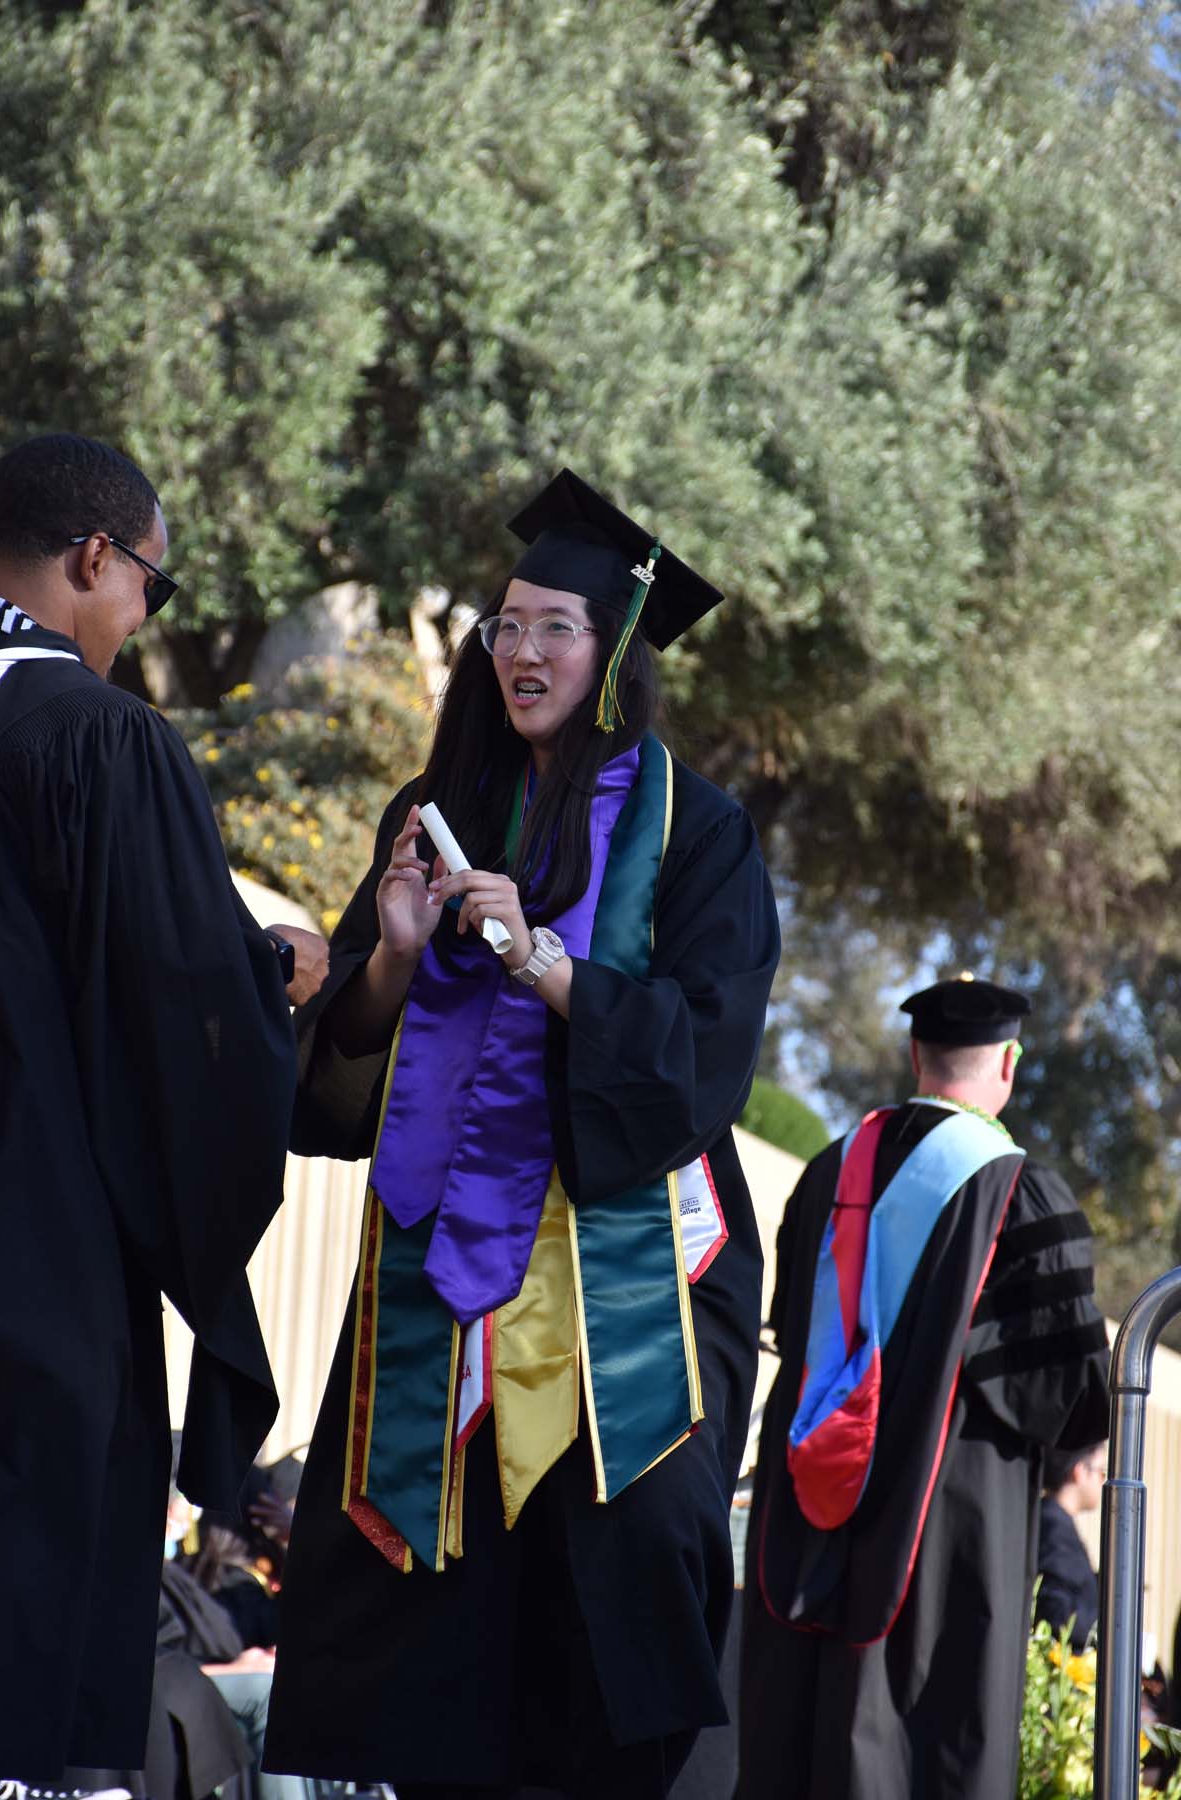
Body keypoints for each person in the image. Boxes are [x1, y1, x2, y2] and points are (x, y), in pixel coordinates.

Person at [263, 469, 781, 1797]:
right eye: (504, 623)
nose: (519, 650)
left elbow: (703, 1053)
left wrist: (546, 964)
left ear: (612, 656)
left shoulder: (699, 834)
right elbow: (337, 1082)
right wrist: (386, 953)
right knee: (426, 1628)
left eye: (554, 626)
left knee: (615, 1584)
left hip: (629, 1271)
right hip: (438, 1277)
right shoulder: (432, 815)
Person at [0, 434, 327, 1781]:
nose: (140, 624)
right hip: (30, 1296)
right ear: (92, 561)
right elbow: (171, 1017)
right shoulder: (96, 738)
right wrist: (276, 981)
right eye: (150, 592)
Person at [738, 976, 1110, 1800]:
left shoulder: (827, 1176)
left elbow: (790, 1331)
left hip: (804, 1532)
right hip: (945, 1551)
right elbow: (1070, 1401)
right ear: (1008, 1064)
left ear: (915, 1057)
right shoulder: (1018, 1191)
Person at [1036, 1443, 1105, 1649]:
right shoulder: (1055, 1529)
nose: (1103, 1480)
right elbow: (1056, 1610)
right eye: (1101, 1472)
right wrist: (1104, 1627)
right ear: (1080, 1471)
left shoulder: (1052, 1521)